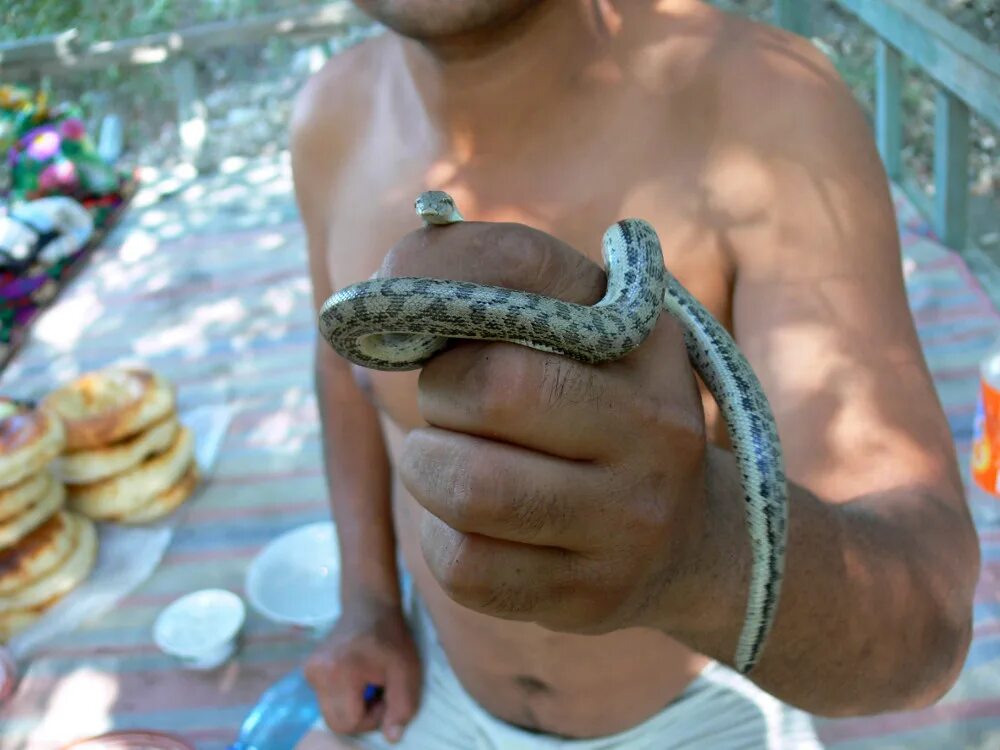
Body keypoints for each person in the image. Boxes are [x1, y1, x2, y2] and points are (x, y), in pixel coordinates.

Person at [290, 1, 980, 747]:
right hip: (430, 688)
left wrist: (702, 552)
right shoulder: (328, 117)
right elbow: (344, 377)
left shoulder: (769, 103)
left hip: (705, 710)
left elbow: (929, 631)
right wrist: (366, 602)